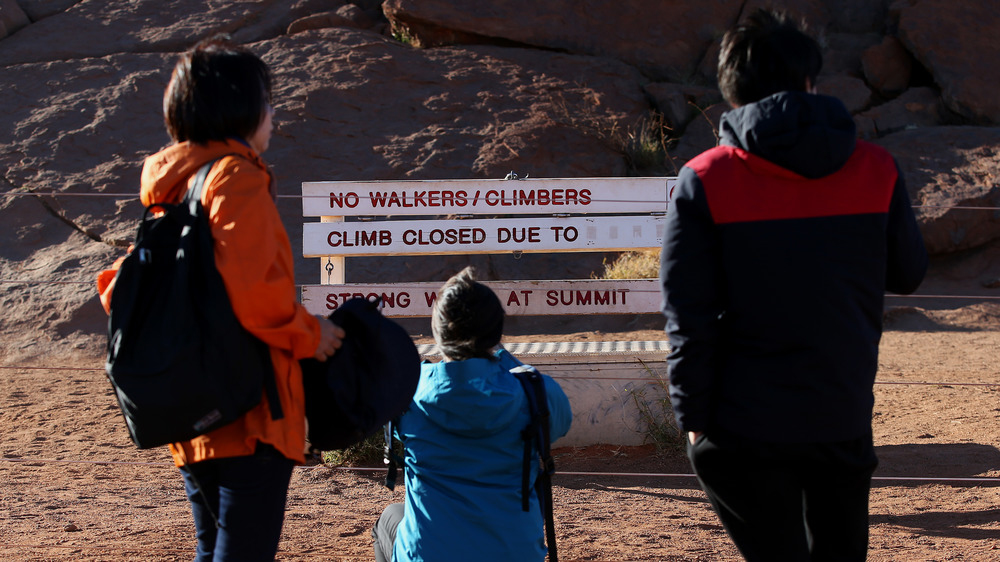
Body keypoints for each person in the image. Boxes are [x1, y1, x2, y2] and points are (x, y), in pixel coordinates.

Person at [659, 9, 928, 562]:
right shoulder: (877, 168)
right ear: (810, 81)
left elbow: (688, 314)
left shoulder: (706, 179)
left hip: (740, 421)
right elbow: (908, 274)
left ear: (732, 95)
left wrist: (693, 421)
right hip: (840, 408)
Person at [96, 36, 344, 561]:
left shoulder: (171, 187)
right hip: (248, 410)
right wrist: (311, 334)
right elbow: (255, 291)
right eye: (266, 100)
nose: (273, 113)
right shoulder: (236, 177)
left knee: (212, 549)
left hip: (191, 407)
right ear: (241, 107)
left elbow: (125, 286)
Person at [371, 267, 572, 562]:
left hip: (431, 555)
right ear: (496, 331)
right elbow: (561, 421)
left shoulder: (408, 392)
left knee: (389, 518)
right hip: (513, 553)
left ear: (438, 333)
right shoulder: (533, 394)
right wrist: (500, 353)